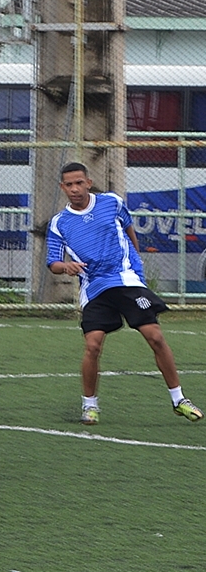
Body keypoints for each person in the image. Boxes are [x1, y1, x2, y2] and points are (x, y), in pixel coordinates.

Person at [46, 161, 203, 425]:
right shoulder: (59, 223)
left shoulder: (112, 203)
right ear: (62, 187)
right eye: (69, 184)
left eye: (79, 183)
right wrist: (66, 267)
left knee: (155, 336)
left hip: (126, 280)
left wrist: (136, 265)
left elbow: (129, 230)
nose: (75, 189)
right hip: (95, 288)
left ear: (89, 182)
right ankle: (90, 405)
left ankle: (179, 400)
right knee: (93, 344)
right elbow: (53, 263)